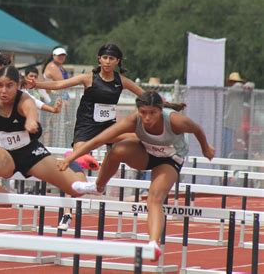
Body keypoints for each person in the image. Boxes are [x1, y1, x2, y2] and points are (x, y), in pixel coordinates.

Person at [60, 90, 215, 260]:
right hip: (146, 153)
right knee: (117, 149)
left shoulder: (175, 120)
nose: (147, 118)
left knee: (154, 198)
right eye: (143, 113)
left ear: (160, 110)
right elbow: (98, 140)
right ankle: (98, 187)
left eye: (152, 113)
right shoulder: (134, 119)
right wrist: (71, 159)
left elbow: (197, 129)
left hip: (170, 159)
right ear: (138, 111)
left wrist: (205, 148)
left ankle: (153, 244)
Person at [29, 43, 144, 231]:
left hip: (109, 128)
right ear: (99, 59)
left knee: (140, 139)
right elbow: (59, 84)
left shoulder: (121, 80)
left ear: (117, 61)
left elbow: (145, 95)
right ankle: (67, 213)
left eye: (111, 58)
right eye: (104, 58)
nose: (107, 61)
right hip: (86, 128)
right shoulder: (88, 78)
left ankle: (109, 171)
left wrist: (169, 105)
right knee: (77, 168)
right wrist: (37, 85)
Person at [0, 65, 87, 198]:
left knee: (77, 190)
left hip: (30, 153)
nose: (3, 91)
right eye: (0, 85)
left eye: (9, 86)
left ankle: (76, 163)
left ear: (18, 85)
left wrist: (30, 121)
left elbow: (31, 112)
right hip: (5, 151)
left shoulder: (24, 100)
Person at [222, 72, 245, 158]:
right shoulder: (232, 91)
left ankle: (225, 166)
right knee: (226, 149)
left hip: (232, 125)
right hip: (227, 125)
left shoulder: (238, 92)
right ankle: (223, 166)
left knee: (229, 149)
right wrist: (243, 85)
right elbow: (238, 87)